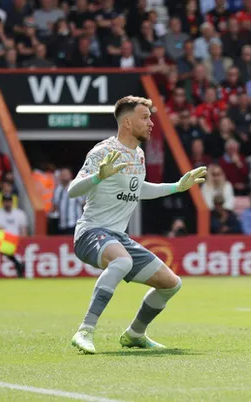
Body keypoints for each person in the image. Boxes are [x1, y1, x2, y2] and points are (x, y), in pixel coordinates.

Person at [67, 96, 207, 354]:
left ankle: (135, 334)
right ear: (128, 122)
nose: (151, 123)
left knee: (171, 283)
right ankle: (85, 330)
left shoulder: (138, 155)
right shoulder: (103, 151)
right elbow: (72, 190)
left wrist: (178, 187)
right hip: (91, 232)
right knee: (122, 261)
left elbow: (138, 189)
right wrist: (98, 177)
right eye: (145, 117)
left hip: (118, 237)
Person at [0, 193, 26, 277]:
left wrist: (24, 240)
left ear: (12, 202)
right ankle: (18, 264)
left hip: (16, 240)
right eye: (5, 201)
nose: (7, 203)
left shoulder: (19, 214)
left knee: (8, 250)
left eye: (9, 201)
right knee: (6, 248)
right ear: (2, 202)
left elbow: (24, 230)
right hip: (3, 241)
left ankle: (17, 264)